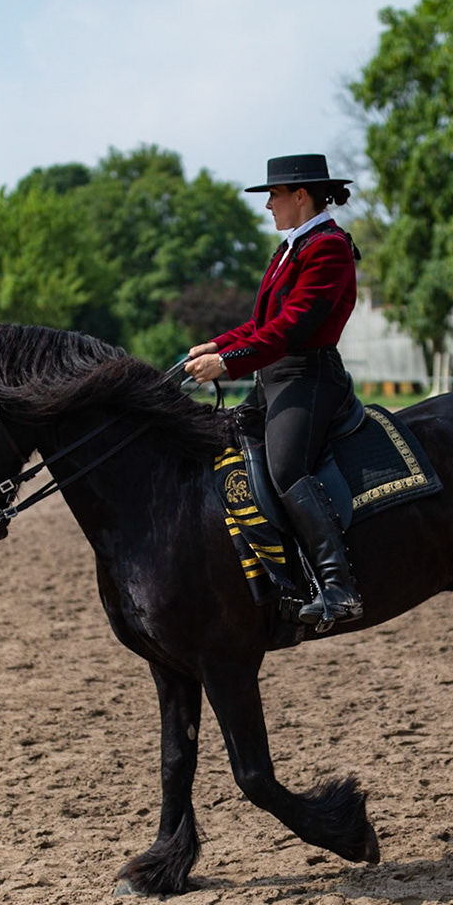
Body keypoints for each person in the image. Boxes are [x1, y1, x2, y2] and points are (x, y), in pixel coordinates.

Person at [185, 153, 363, 626]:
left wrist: (226, 363)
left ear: (300, 196)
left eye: (273, 195)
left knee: (287, 468)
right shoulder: (292, 247)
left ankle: (337, 586)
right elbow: (264, 323)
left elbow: (291, 328)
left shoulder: (328, 248)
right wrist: (219, 343)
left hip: (309, 376)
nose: (267, 206)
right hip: (275, 377)